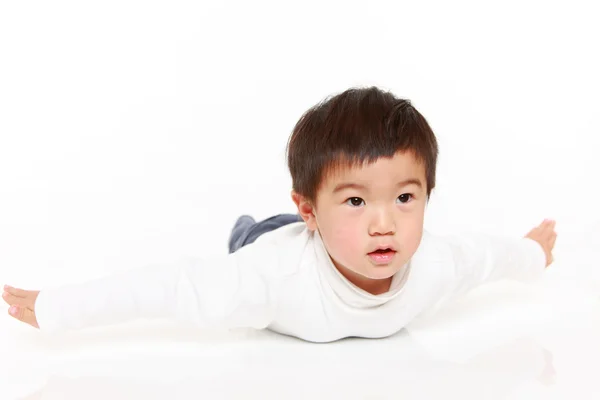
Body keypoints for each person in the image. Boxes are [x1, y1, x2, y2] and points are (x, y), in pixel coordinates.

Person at [2, 86, 557, 343]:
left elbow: (487, 257)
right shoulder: (266, 279)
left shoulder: (435, 261)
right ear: (310, 208)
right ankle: (256, 224)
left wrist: (532, 253)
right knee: (252, 236)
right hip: (276, 247)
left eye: (405, 199)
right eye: (357, 200)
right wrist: (59, 308)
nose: (384, 223)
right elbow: (170, 288)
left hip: (311, 236)